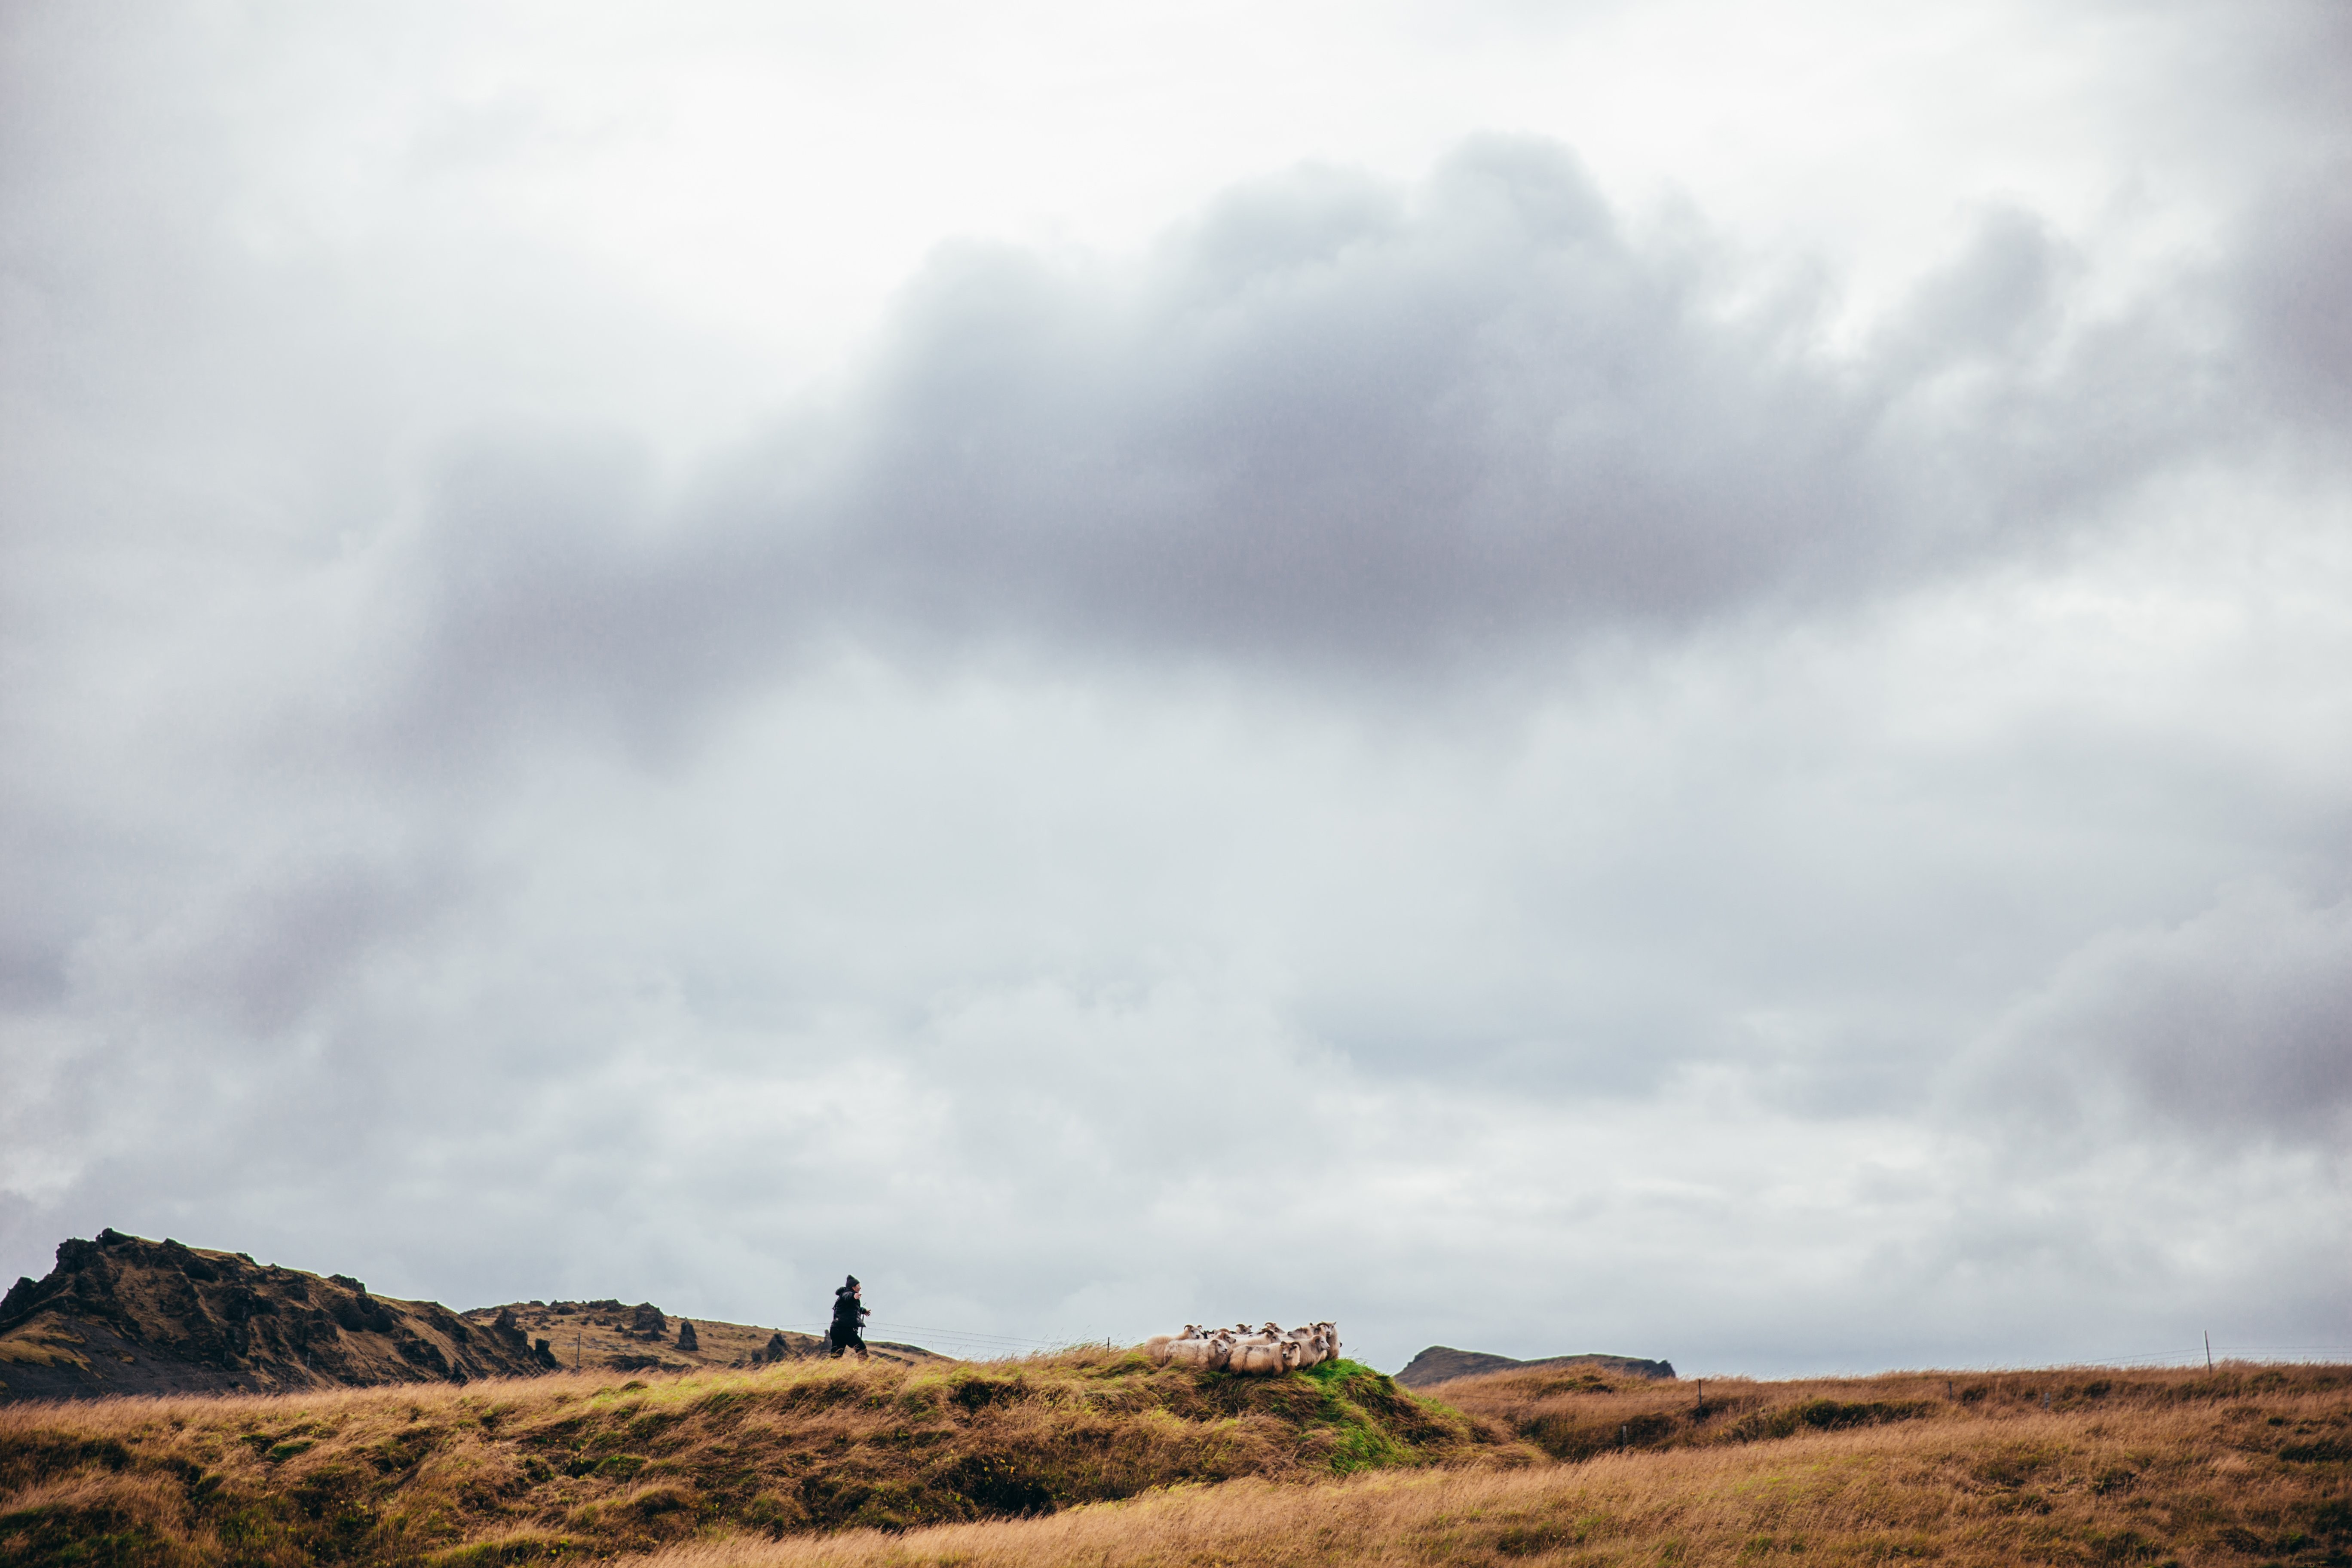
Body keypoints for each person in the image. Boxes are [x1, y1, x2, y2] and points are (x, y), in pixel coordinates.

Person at [827, 1274, 870, 1360]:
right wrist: (853, 1296)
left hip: (836, 1329)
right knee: (862, 1349)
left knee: (836, 1357)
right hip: (845, 1329)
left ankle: (832, 1372)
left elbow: (852, 1309)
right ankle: (864, 1370)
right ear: (853, 1288)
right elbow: (847, 1296)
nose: (860, 1288)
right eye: (859, 1286)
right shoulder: (847, 1294)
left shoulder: (844, 1296)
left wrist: (864, 1310)